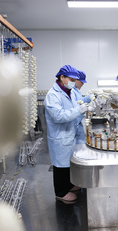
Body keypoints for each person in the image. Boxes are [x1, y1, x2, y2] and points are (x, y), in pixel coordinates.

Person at [44, 65, 88, 204]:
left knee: (68, 164)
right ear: (62, 77)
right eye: (71, 79)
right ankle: (61, 193)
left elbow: (77, 105)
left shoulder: (71, 91)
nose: (73, 82)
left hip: (71, 133)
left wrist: (85, 105)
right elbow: (58, 116)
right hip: (60, 135)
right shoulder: (53, 95)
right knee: (60, 166)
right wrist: (79, 110)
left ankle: (69, 185)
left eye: (75, 80)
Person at [71, 70, 95, 144]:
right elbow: (74, 106)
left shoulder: (77, 91)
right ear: (76, 80)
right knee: (76, 144)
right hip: (73, 123)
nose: (83, 84)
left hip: (78, 122)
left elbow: (81, 100)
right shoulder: (71, 91)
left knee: (81, 141)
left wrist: (88, 97)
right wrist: (87, 108)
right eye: (81, 81)